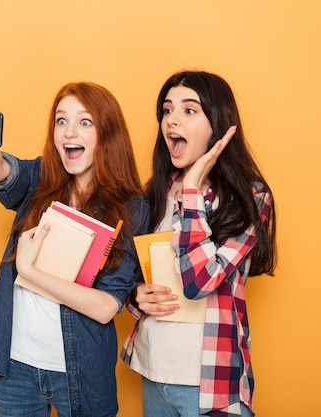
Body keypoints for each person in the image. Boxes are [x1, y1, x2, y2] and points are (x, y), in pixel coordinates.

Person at [0, 82, 149, 417]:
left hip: (83, 375)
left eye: (85, 122)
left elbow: (107, 306)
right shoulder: (39, 179)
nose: (68, 132)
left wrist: (31, 271)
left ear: (108, 133)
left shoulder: (132, 207)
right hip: (14, 370)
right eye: (61, 121)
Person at [120, 71, 277, 417]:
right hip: (152, 368)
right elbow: (133, 271)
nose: (172, 120)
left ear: (218, 126)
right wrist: (136, 296)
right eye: (167, 110)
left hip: (209, 383)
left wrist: (192, 190)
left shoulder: (250, 197)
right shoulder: (157, 189)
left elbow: (200, 283)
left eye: (189, 111)